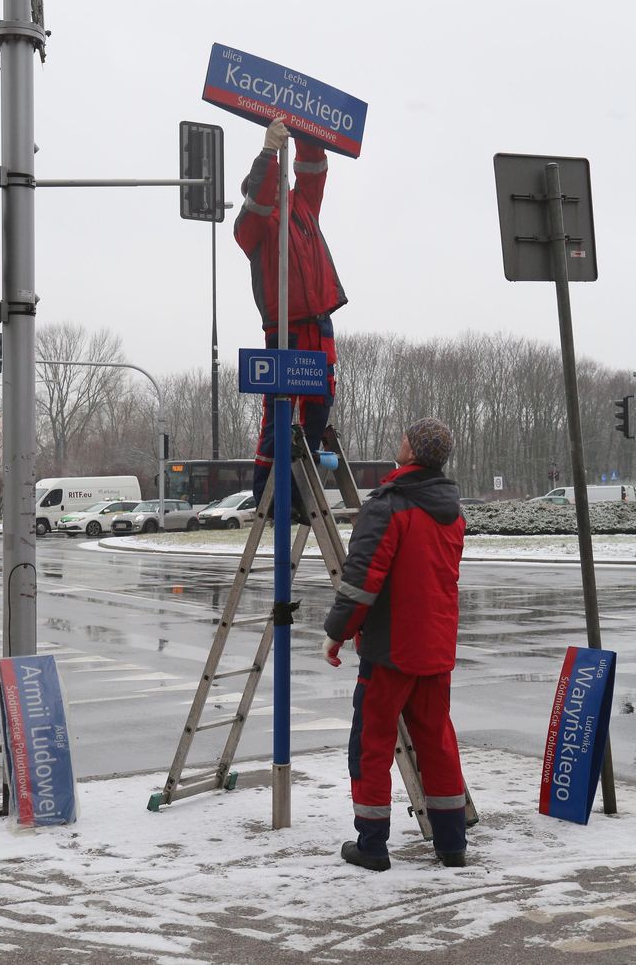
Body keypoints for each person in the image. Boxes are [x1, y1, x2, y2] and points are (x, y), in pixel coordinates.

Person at [322, 418, 467, 872]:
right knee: (437, 743)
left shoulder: (389, 505)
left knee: (372, 742)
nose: (399, 441)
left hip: (391, 649)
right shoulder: (453, 510)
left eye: (405, 436)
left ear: (413, 451)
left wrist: (337, 631)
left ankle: (371, 845)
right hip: (436, 646)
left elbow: (362, 580)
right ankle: (452, 844)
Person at [234, 115, 348, 519]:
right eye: (272, 184)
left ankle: (300, 493)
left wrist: (307, 136)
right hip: (285, 329)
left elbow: (313, 173)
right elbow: (262, 199)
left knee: (317, 410)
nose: (280, 189)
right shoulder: (252, 226)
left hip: (319, 324)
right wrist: (269, 152)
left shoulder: (302, 209)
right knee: (280, 413)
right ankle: (270, 494)